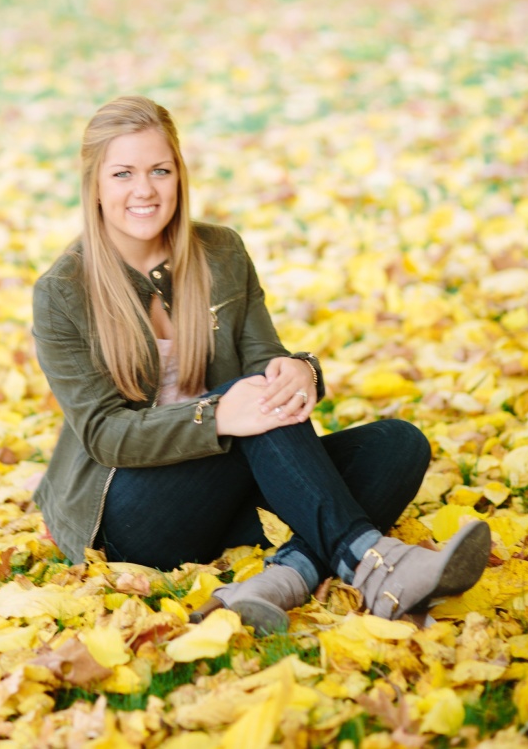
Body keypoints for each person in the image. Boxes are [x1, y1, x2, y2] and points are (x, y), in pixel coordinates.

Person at [31, 95, 490, 634]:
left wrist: (300, 371)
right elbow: (105, 434)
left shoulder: (221, 252)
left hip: (228, 482)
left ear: (179, 174)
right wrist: (219, 414)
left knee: (397, 445)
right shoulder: (63, 291)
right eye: (123, 173)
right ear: (95, 185)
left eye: (160, 170)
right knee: (249, 398)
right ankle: (372, 563)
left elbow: (264, 360)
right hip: (132, 511)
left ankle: (277, 582)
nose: (145, 190)